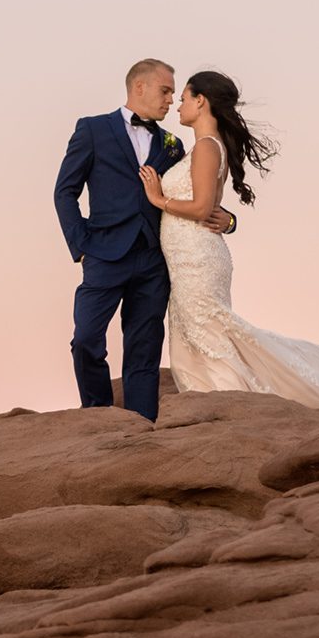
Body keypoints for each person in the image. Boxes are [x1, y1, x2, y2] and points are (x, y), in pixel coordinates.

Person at [139, 70, 319, 407]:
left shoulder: (206, 147)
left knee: (208, 330)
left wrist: (158, 198)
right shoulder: (203, 147)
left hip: (197, 257)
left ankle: (229, 401)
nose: (178, 105)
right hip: (190, 255)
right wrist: (230, 220)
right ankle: (213, 398)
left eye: (184, 98)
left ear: (201, 101)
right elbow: (215, 208)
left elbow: (203, 206)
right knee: (199, 330)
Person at [53, 59, 234, 420]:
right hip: (103, 254)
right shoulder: (92, 130)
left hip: (154, 260)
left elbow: (198, 193)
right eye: (165, 91)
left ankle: (141, 426)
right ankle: (97, 416)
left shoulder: (172, 144)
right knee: (86, 338)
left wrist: (229, 220)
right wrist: (82, 246)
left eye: (174, 93)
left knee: (145, 349)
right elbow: (64, 192)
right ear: (140, 87)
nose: (170, 100)